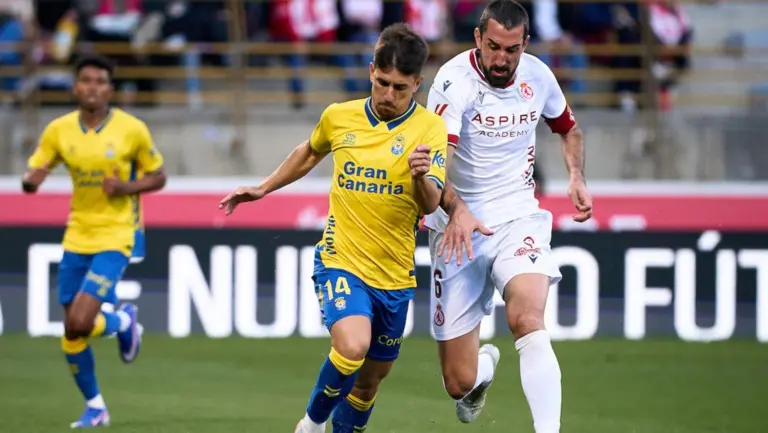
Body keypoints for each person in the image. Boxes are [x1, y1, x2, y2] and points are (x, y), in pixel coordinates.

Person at [218, 23, 447, 433]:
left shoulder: (430, 130)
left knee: (368, 383)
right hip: (341, 260)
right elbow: (309, 151)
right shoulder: (339, 117)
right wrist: (263, 187)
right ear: (370, 71)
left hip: (394, 275)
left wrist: (419, 176)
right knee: (352, 345)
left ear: (417, 83)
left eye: (400, 88)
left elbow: (431, 202)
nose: (389, 96)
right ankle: (310, 425)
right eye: (382, 83)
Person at [424, 1, 592, 432]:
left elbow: (568, 127)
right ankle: (481, 369)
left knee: (527, 320)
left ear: (525, 44)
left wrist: (575, 175)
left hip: (518, 216)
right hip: (456, 228)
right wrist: (455, 209)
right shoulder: (452, 82)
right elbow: (436, 164)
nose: (502, 59)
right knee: (457, 382)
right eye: (494, 47)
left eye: (512, 50)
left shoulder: (538, 75)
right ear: (478, 39)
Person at [21, 54, 167, 428]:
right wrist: (30, 181)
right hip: (77, 232)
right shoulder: (59, 130)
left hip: (117, 233)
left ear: (110, 88)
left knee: (82, 320)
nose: (92, 87)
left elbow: (158, 176)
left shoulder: (132, 129)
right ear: (75, 86)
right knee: (72, 329)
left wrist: (125, 188)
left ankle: (119, 320)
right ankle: (96, 405)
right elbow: (37, 167)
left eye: (100, 81)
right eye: (86, 80)